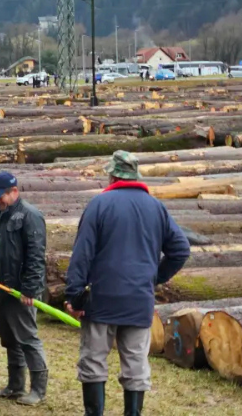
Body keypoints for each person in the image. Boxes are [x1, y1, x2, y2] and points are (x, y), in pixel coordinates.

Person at [65, 151, 190, 416]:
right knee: (136, 365)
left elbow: (82, 253)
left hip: (102, 300)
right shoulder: (156, 207)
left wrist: (75, 296)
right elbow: (180, 249)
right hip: (138, 301)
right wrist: (154, 278)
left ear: (112, 175)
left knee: (93, 362)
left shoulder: (99, 204)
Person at [0, 171, 48, 406]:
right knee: (8, 339)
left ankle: (38, 390)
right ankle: (14, 385)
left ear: (14, 192)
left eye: (0, 196)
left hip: (20, 290)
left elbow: (35, 255)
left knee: (27, 339)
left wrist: (30, 289)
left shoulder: (30, 216)